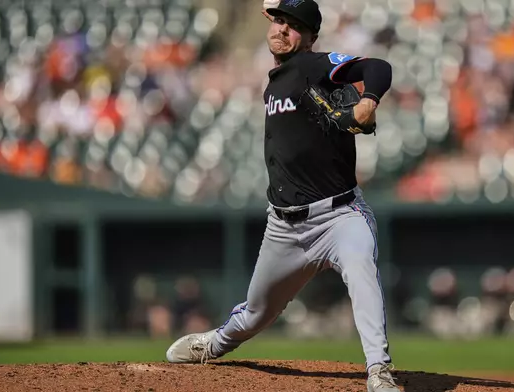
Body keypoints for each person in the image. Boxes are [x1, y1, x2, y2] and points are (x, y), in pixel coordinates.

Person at [165, 1, 397, 391]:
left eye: (294, 26)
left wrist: (367, 101)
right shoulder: (280, 76)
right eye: (279, 22)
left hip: (340, 216)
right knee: (256, 313)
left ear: (310, 38)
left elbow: (378, 68)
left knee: (361, 272)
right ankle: (216, 343)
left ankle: (379, 370)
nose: (283, 30)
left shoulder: (312, 65)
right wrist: (280, 13)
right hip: (284, 226)